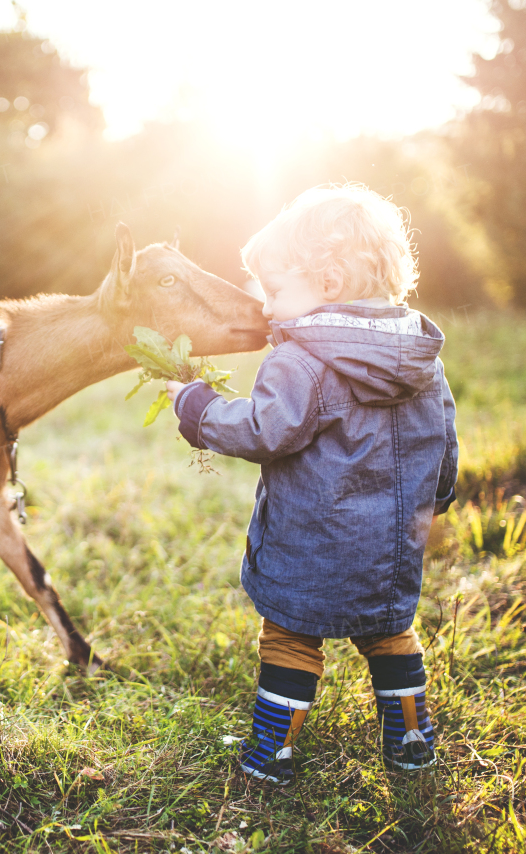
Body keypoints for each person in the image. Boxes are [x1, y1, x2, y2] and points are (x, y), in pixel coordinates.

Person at [166, 184, 459, 781]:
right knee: (389, 633)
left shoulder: (301, 359)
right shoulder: (420, 356)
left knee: (291, 638)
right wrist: (438, 498)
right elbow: (444, 439)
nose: (267, 308)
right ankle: (411, 742)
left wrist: (197, 407)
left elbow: (262, 429)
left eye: (274, 290)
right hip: (392, 545)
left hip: (312, 541)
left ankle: (271, 754)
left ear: (328, 283)